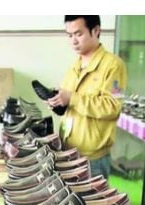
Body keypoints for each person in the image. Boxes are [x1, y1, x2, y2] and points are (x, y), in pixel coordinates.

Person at [45, 15, 127, 180]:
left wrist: (72, 98)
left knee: (90, 198)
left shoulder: (113, 66)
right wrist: (57, 102)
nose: (73, 41)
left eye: (78, 34)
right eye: (69, 35)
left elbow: (112, 107)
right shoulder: (74, 67)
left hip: (92, 160)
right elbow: (70, 105)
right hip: (67, 151)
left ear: (96, 31)